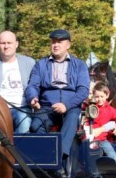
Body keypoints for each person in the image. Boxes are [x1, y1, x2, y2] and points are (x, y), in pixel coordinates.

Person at [25, 29, 90, 159]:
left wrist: (66, 105)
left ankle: (60, 156)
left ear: (68, 45)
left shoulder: (79, 65)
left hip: (71, 106)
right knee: (35, 125)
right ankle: (43, 157)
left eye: (60, 42)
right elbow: (32, 86)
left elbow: (83, 90)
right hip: (47, 106)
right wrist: (33, 98)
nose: (56, 45)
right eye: (53, 42)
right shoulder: (41, 64)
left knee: (71, 120)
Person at [0, 31, 36, 133]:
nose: (6, 46)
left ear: (16, 44)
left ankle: (17, 149)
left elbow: (36, 85)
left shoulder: (30, 63)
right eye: (3, 43)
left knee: (25, 122)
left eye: (9, 43)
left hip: (22, 108)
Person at [89, 83, 116, 178]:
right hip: (91, 139)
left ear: (107, 95)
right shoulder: (90, 108)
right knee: (94, 161)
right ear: (93, 96)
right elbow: (86, 123)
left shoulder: (110, 110)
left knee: (114, 158)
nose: (99, 99)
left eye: (102, 96)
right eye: (97, 96)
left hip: (102, 140)